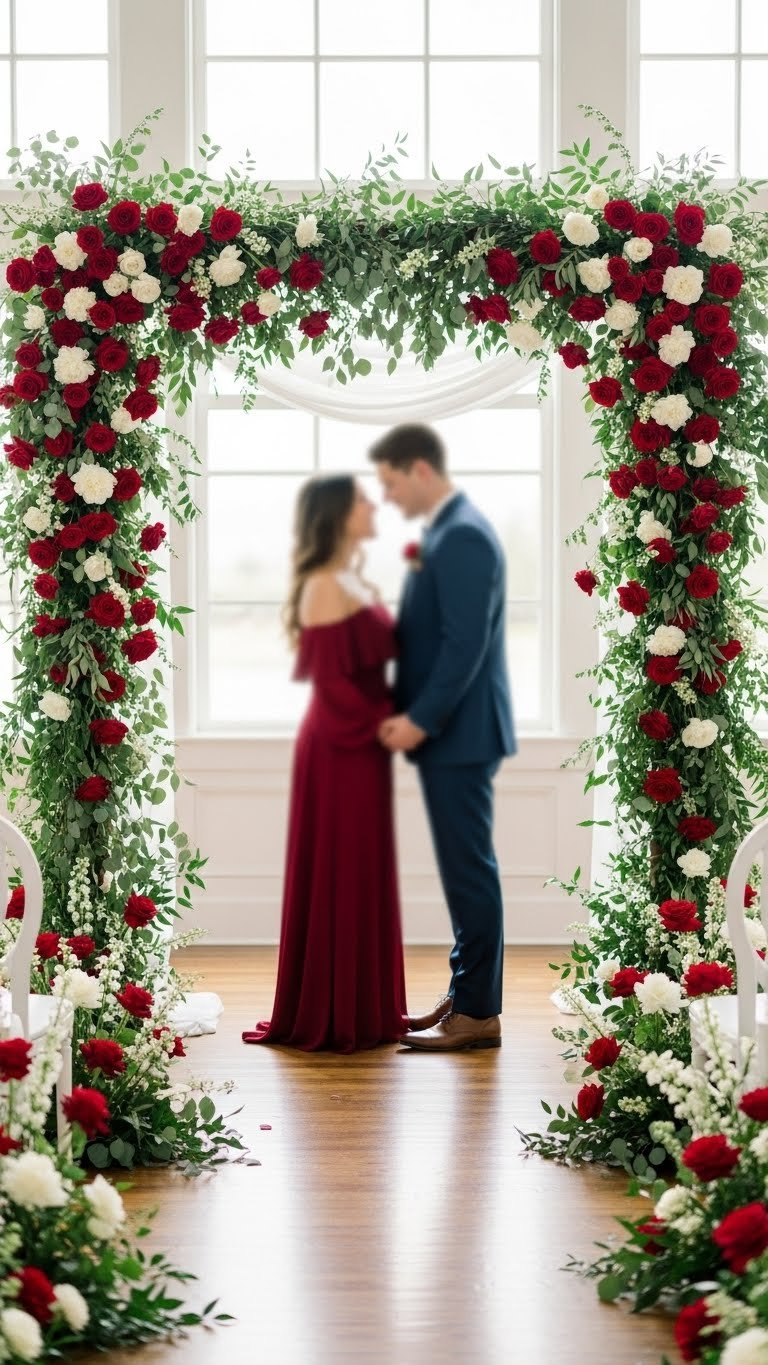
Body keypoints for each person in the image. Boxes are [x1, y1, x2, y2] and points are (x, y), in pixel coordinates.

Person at [242, 474, 408, 1052]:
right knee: (342, 866)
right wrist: (390, 724)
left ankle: (365, 1008)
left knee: (362, 867)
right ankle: (337, 1012)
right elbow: (334, 685)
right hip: (341, 743)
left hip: (361, 743)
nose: (374, 504)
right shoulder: (323, 584)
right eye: (363, 499)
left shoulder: (351, 579)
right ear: (338, 515)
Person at [370, 424, 515, 1052]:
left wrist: (420, 719)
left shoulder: (461, 536)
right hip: (456, 733)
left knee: (469, 872)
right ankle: (467, 993)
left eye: (392, 483)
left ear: (421, 469)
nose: (390, 498)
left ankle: (478, 1013)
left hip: (458, 732)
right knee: (464, 871)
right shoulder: (451, 531)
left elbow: (464, 646)